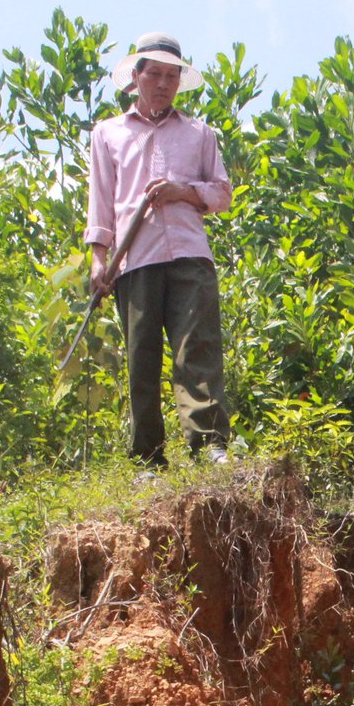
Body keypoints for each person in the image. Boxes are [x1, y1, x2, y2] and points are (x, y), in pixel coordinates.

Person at [85, 31, 235, 468]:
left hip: (190, 255)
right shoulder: (108, 134)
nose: (164, 84)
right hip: (135, 260)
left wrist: (181, 192)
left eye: (172, 76)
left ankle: (209, 447)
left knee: (198, 349)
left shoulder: (199, 133)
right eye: (155, 75)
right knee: (141, 359)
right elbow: (102, 200)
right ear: (136, 78)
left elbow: (222, 195)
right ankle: (147, 461)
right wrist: (99, 258)